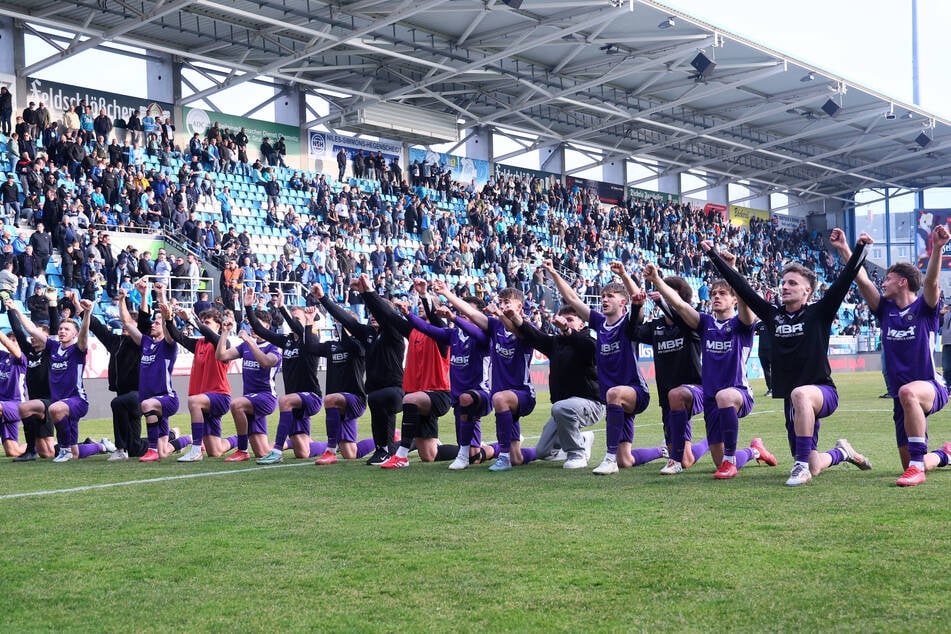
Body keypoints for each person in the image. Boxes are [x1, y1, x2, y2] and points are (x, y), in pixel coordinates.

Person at [704, 229, 872, 486]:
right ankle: (842, 452)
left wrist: (857, 248)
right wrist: (714, 256)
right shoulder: (773, 316)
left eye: (792, 283)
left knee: (801, 395)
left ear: (808, 292)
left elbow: (846, 279)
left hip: (820, 392)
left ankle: (800, 467)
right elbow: (742, 288)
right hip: (793, 402)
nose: (785, 286)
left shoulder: (820, 312)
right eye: (783, 282)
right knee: (816, 463)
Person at [836, 227, 951, 487]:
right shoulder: (885, 309)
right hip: (903, 397)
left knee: (909, 393)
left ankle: (917, 468)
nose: (882, 282)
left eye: (887, 278)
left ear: (902, 282)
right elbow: (862, 280)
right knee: (909, 459)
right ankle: (944, 455)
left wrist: (938, 247)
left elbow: (931, 283)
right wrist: (845, 248)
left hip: (931, 386)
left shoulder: (924, 308)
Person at [645, 256, 774, 479]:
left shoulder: (742, 324)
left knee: (725, 397)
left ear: (734, 299)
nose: (716, 296)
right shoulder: (705, 323)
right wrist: (656, 280)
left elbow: (746, 299)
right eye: (713, 293)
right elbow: (679, 304)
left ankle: (730, 463)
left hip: (739, 392)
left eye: (722, 293)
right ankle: (754, 450)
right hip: (711, 398)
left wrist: (732, 269)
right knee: (717, 458)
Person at [544, 260, 652, 475]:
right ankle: (659, 451)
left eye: (610, 296)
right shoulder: (599, 323)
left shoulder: (629, 323)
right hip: (615, 401)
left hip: (634, 392)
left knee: (613, 393)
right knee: (626, 460)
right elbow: (572, 299)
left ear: (623, 302)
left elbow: (638, 303)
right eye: (603, 296)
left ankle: (608, 458)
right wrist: (554, 272)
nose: (604, 299)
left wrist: (623, 275)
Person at [398, 280, 498, 469]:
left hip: (480, 395)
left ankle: (465, 455)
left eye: (469, 313)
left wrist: (453, 317)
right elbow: (427, 328)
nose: (464, 315)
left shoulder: (484, 338)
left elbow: (472, 331)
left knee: (467, 399)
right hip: (459, 400)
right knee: (474, 456)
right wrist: (407, 314)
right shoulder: (453, 335)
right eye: (462, 312)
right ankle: (498, 448)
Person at [355, 277, 454, 469]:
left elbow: (434, 320)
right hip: (419, 397)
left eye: (426, 304)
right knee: (429, 454)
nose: (422, 306)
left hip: (438, 394)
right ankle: (478, 450)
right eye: (420, 304)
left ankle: (401, 455)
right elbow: (388, 316)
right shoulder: (413, 331)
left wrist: (424, 294)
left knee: (409, 400)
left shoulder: (442, 333)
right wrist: (367, 291)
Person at [438, 282, 535, 472]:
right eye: (501, 302)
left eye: (507, 302)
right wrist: (447, 293)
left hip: (522, 394)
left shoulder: (526, 328)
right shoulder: (495, 326)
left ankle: (503, 457)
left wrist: (499, 314)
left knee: (499, 397)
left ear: (519, 307)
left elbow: (517, 329)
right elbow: (473, 315)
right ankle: (550, 449)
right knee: (519, 458)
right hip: (502, 398)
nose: (503, 306)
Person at [503, 302, 600, 470]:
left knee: (560, 408)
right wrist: (514, 317)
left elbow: (589, 350)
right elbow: (533, 335)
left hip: (590, 403)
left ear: (581, 324)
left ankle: (577, 454)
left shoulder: (588, 338)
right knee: (543, 452)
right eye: (564, 320)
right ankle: (582, 440)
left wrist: (567, 331)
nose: (566, 322)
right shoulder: (556, 342)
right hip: (564, 408)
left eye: (570, 320)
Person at [318, 280, 405, 466]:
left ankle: (388, 448)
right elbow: (346, 319)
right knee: (427, 450)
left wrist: (367, 292)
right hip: (374, 390)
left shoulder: (394, 333)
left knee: (380, 401)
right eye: (371, 313)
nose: (373, 316)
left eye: (377, 313)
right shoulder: (367, 334)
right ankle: (391, 448)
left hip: (394, 388)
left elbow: (385, 313)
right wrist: (323, 298)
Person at [631, 273, 710, 475]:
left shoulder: (692, 323)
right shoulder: (656, 326)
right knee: (687, 459)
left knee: (677, 394)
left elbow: (678, 315)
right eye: (662, 291)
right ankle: (712, 440)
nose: (664, 295)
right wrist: (637, 307)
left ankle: (676, 456)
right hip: (667, 396)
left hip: (694, 389)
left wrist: (661, 302)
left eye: (669, 293)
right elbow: (633, 333)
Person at [17, 299, 113, 462]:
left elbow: (83, 334)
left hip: (77, 400)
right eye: (61, 328)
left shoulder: (78, 349)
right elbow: (32, 329)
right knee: (76, 453)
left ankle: (64, 450)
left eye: (67, 329)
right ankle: (102, 446)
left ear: (74, 334)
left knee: (55, 409)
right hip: (61, 403)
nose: (62, 331)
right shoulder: (53, 347)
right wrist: (16, 310)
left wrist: (87, 314)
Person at [119, 282, 186, 462]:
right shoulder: (146, 343)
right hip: (151, 401)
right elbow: (126, 322)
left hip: (166, 398)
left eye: (157, 322)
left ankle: (152, 449)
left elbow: (167, 320)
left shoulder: (169, 345)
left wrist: (161, 294)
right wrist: (121, 299)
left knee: (146, 406)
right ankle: (188, 440)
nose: (153, 324)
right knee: (166, 452)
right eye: (153, 322)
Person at [166, 307, 237, 461]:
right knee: (215, 451)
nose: (204, 325)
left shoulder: (223, 342)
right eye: (203, 322)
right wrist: (168, 318)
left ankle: (196, 449)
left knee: (194, 401)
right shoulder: (199, 344)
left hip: (219, 396)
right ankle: (241, 437)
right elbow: (177, 336)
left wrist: (191, 319)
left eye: (208, 322)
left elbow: (211, 336)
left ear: (218, 326)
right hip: (204, 402)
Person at [88, 294, 152, 460]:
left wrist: (143, 295)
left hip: (139, 393)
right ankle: (172, 439)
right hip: (122, 392)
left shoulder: (142, 342)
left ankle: (120, 449)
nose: (126, 327)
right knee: (135, 448)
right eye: (125, 325)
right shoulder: (115, 341)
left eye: (131, 324)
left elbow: (144, 319)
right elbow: (96, 326)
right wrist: (83, 310)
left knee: (117, 404)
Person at [215, 309, 282, 461]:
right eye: (251, 323)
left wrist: (249, 341)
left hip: (266, 398)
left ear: (267, 326)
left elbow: (265, 362)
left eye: (257, 324)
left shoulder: (274, 346)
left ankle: (242, 450)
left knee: (236, 404)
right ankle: (293, 444)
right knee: (262, 452)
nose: (253, 326)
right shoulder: (245, 346)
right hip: (250, 400)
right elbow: (220, 356)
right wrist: (224, 332)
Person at [7, 300, 59, 461]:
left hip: (50, 401)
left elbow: (55, 326)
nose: (32, 338)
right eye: (32, 336)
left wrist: (52, 304)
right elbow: (18, 330)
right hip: (36, 403)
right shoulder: (29, 352)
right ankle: (95, 445)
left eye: (36, 335)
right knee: (48, 452)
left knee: (24, 407)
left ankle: (30, 451)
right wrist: (10, 309)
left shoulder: (52, 351)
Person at [0, 327, 28, 457]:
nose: (11, 342)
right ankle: (40, 444)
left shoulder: (21, 359)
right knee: (13, 452)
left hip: (17, 405)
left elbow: (6, 344)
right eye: (10, 339)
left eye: (15, 340)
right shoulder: (2, 357)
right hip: (3, 407)